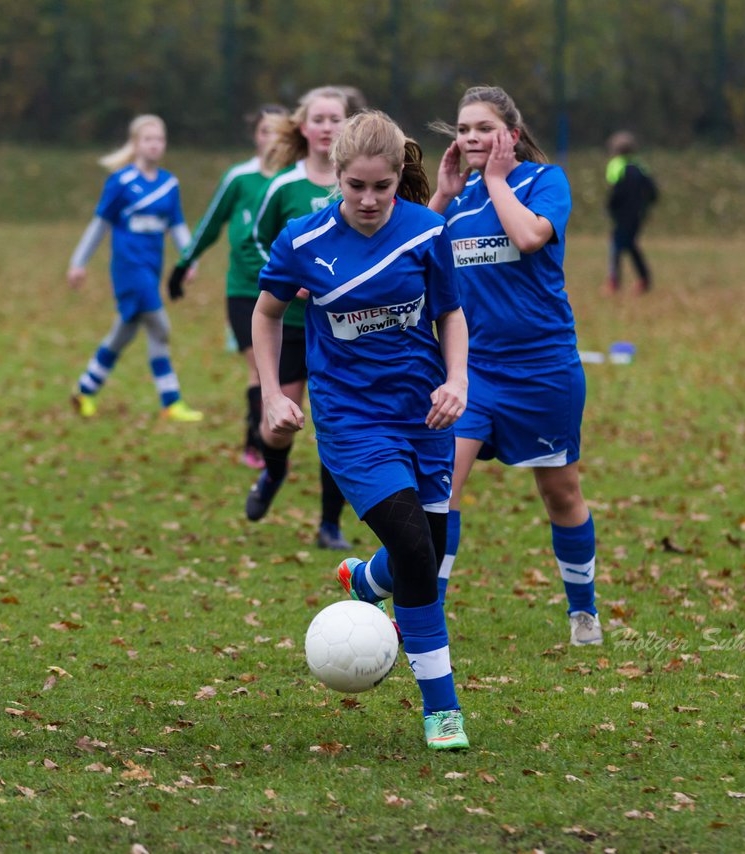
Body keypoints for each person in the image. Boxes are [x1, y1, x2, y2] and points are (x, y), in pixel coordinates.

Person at [342, 86, 603, 648]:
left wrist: (496, 183)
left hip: (543, 370)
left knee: (560, 493)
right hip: (472, 373)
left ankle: (583, 610)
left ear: (511, 133)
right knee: (442, 493)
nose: (470, 139)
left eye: (483, 128)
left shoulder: (544, 182)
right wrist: (441, 195)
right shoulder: (454, 199)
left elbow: (531, 237)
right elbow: (404, 249)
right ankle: (422, 612)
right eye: (462, 130)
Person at [255, 110, 471, 750]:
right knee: (416, 553)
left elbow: (452, 313)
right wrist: (271, 392)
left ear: (399, 174)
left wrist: (456, 381)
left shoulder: (428, 231)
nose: (370, 200)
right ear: (338, 178)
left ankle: (364, 582)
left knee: (424, 559)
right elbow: (266, 316)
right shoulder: (302, 240)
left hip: (426, 415)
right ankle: (442, 710)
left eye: (381, 187)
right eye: (356, 187)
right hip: (352, 421)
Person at [245, 86, 354, 551]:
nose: (328, 127)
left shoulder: (358, 182)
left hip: (345, 328)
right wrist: (291, 278)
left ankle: (330, 524)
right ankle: (273, 472)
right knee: (281, 422)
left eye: (336, 118)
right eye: (320, 119)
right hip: (292, 325)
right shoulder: (284, 186)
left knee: (335, 423)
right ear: (304, 127)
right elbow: (255, 241)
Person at [167, 104, 289, 467]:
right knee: (258, 367)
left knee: (284, 372)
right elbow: (210, 223)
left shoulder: (295, 180)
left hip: (290, 296)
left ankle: (274, 438)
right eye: (265, 131)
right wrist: (184, 263)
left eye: (279, 133)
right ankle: (255, 442)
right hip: (244, 291)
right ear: (255, 135)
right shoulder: (239, 178)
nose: (271, 139)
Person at [67, 114, 202, 422]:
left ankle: (84, 390)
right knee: (160, 327)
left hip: (152, 267)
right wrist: (78, 262)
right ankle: (172, 400)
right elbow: (99, 225)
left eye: (160, 139)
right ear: (135, 143)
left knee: (123, 334)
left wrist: (188, 259)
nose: (155, 145)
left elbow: (177, 226)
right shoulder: (121, 182)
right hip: (129, 269)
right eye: (148, 139)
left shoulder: (170, 184)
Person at [603, 130, 658, 295]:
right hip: (638, 215)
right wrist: (645, 208)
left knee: (617, 246)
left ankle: (614, 283)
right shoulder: (641, 167)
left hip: (622, 215)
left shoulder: (616, 166)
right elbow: (653, 192)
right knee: (629, 244)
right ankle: (644, 280)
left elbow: (616, 192)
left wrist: (611, 207)